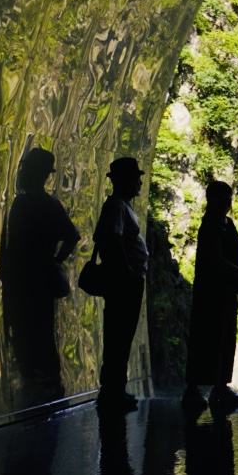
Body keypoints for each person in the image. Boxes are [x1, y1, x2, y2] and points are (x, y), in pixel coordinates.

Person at [0, 148, 80, 407]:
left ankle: (35, 389)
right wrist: (55, 260)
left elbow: (12, 248)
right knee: (43, 333)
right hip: (41, 283)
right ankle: (50, 388)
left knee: (24, 333)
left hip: (21, 282)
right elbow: (72, 236)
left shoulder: (22, 203)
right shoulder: (50, 204)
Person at [184, 181, 238, 415]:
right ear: (211, 199)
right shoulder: (209, 225)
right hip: (210, 291)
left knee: (225, 337)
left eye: (229, 198)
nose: (227, 203)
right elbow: (214, 260)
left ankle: (220, 386)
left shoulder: (226, 224)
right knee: (205, 337)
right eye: (222, 198)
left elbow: (236, 253)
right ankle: (193, 389)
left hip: (225, 290)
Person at [93, 156, 148, 412]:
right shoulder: (117, 207)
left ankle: (115, 389)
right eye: (136, 177)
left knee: (121, 335)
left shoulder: (120, 206)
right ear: (124, 180)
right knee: (119, 334)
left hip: (125, 280)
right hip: (124, 283)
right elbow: (112, 240)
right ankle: (112, 391)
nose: (139, 181)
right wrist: (128, 273)